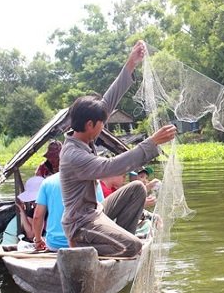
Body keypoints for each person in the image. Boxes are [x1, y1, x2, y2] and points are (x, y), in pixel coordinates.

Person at [60, 40, 177, 257]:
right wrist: (151, 143)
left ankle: (119, 237)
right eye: (102, 123)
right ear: (90, 125)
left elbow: (107, 101)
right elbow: (112, 166)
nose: (104, 126)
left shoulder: (83, 137)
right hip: (81, 225)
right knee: (133, 247)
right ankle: (87, 248)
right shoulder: (74, 155)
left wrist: (131, 63)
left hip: (96, 212)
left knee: (138, 189)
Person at [32, 173, 103, 251]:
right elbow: (101, 211)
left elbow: (37, 216)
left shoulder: (47, 182)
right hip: (83, 243)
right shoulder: (91, 181)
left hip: (54, 244)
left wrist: (38, 240)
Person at [15, 176, 44, 242]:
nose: (32, 203)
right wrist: (22, 211)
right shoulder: (33, 212)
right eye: (32, 201)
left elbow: (31, 235)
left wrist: (22, 212)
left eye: (34, 200)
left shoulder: (37, 211)